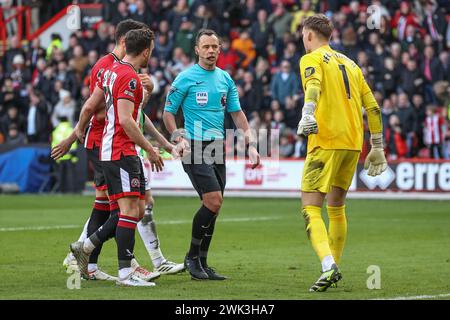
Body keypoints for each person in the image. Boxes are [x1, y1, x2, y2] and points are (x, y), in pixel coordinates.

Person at [296, 14, 388, 292]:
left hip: (325, 141)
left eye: (303, 35)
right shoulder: (351, 64)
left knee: (311, 207)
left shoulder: (310, 58)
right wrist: (378, 146)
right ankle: (332, 267)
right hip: (352, 144)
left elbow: (313, 86)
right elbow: (373, 108)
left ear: (309, 35)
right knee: (336, 207)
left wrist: (307, 112)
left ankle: (327, 266)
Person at [163, 29, 261, 280]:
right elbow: (168, 113)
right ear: (196, 49)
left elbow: (237, 114)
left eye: (214, 47)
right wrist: (178, 138)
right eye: (205, 46)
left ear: (220, 49)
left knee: (214, 207)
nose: (210, 51)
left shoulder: (225, 79)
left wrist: (250, 144)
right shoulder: (184, 78)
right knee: (214, 201)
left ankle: (202, 263)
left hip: (217, 146)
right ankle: (191, 256)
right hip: (193, 145)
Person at [69, 28, 165, 287]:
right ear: (145, 51)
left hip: (110, 150)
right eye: (151, 50)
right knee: (130, 211)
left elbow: (101, 106)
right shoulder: (129, 77)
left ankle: (86, 248)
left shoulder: (111, 71)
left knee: (128, 210)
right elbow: (126, 120)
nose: (151, 54)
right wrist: (151, 148)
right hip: (122, 150)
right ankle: (124, 272)